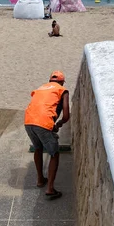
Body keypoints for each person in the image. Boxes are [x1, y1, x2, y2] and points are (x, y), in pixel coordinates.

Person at [24, 71, 70, 200]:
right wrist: (59, 124)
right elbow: (66, 115)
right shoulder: (62, 90)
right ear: (61, 82)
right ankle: (50, 188)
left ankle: (40, 180)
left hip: (28, 121)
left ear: (50, 81)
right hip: (43, 123)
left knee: (38, 148)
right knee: (54, 154)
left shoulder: (40, 88)